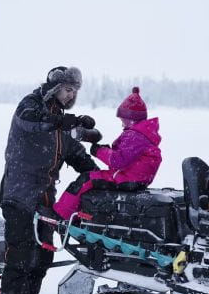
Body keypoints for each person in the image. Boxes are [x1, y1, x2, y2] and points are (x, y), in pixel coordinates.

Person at [0, 66, 98, 294]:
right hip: (19, 195)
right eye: (67, 90)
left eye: (75, 91)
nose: (71, 95)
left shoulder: (60, 121)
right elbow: (32, 120)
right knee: (19, 257)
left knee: (42, 257)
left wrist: (99, 174)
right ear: (55, 88)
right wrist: (62, 122)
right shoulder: (30, 105)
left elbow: (74, 152)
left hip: (45, 199)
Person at [52, 87, 162, 219]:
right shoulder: (144, 134)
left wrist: (98, 151)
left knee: (86, 179)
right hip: (137, 178)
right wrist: (108, 150)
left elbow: (117, 161)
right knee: (95, 181)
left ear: (132, 119)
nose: (122, 123)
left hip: (128, 178)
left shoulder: (135, 135)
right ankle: (80, 218)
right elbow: (126, 157)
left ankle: (59, 215)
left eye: (124, 120)